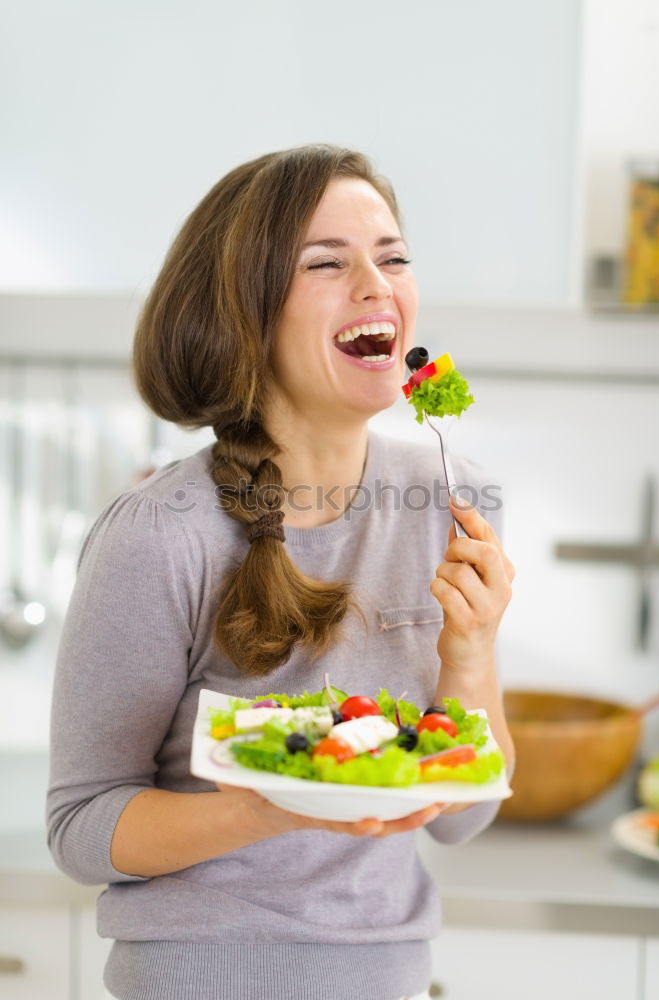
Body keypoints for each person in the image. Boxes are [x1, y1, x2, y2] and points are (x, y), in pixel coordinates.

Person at [47, 144, 515, 1000]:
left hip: (389, 978)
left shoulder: (449, 501)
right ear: (244, 315)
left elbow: (465, 815)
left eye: (393, 257)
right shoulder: (161, 534)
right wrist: (268, 806)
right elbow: (81, 829)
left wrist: (471, 653)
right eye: (327, 263)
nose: (376, 285)